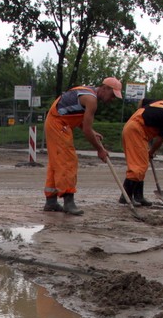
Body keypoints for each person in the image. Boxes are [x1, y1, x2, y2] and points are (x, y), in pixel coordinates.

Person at [43, 77, 124, 215]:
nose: (112, 99)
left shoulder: (87, 93)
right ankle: (69, 202)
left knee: (57, 162)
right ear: (105, 88)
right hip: (59, 124)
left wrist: (92, 132)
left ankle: (51, 201)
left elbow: (75, 115)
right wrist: (100, 150)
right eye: (112, 95)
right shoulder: (91, 100)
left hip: (56, 122)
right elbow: (86, 130)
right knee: (68, 161)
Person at [119, 99, 163, 207]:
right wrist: (151, 152)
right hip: (136, 131)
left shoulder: (162, 103)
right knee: (137, 166)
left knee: (142, 165)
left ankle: (138, 196)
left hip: (136, 129)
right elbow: (160, 139)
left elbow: (142, 101)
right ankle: (126, 197)